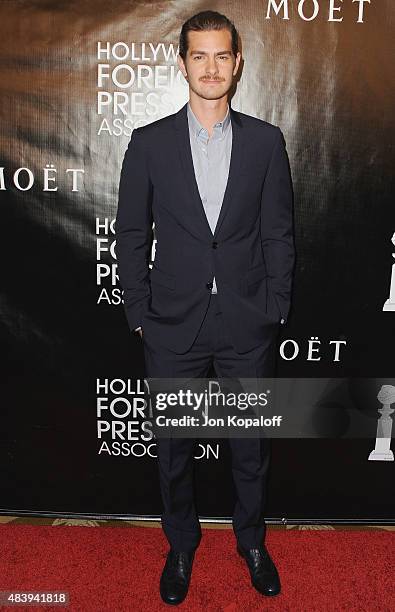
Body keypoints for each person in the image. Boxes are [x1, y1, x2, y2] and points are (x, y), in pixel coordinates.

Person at [115, 10, 295, 606]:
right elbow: (132, 235)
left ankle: (251, 542)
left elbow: (278, 234)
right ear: (183, 62)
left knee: (251, 448)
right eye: (200, 56)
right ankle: (181, 546)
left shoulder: (268, 142)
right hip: (172, 325)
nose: (212, 67)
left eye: (222, 56)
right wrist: (139, 311)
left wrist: (275, 306)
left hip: (247, 322)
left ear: (238, 63)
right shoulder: (148, 144)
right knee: (173, 451)